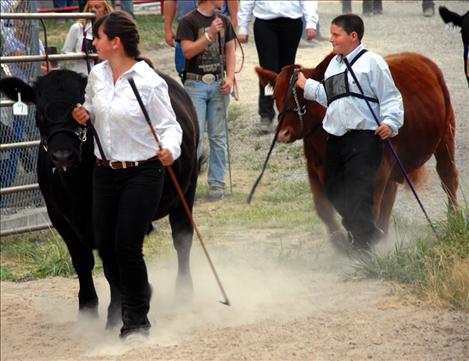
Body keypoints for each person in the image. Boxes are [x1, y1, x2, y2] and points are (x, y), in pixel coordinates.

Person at [72, 11, 182, 339]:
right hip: (104, 171)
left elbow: (169, 127)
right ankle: (134, 296)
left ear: (115, 43)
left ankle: (137, 321)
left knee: (126, 245)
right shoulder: (98, 76)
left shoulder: (149, 82)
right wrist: (84, 113)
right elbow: (93, 107)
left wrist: (170, 150)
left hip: (143, 171)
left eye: (99, 38)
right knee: (104, 244)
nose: (94, 42)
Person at [295, 14, 403, 250]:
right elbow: (330, 96)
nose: (331, 40)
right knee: (333, 190)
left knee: (359, 192)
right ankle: (368, 233)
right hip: (336, 138)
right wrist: (307, 86)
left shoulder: (372, 62)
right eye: (331, 34)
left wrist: (390, 123)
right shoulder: (335, 64)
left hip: (364, 137)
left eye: (336, 35)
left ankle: (361, 249)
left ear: (353, 36)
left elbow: (391, 96)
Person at [176, 0, 236, 201]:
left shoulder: (224, 21)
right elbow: (188, 51)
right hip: (195, 84)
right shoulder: (188, 21)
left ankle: (217, 184)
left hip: (219, 83)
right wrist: (209, 34)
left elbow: (230, 50)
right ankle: (189, 182)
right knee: (195, 135)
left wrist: (230, 77)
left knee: (218, 136)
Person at [237, 0, 318, 133]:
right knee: (268, 70)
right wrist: (243, 26)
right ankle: (266, 113)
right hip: (265, 22)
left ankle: (286, 112)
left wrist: (311, 22)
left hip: (292, 22)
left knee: (287, 72)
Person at [164, 0, 238, 81]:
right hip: (187, 30)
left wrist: (230, 32)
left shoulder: (223, 20)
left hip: (217, 25)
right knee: (183, 69)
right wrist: (167, 29)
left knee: (218, 66)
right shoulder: (186, 22)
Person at [62, 0, 113, 75]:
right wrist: (81, 55)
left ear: (106, 9)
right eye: (90, 7)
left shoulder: (113, 28)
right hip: (82, 75)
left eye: (97, 7)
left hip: (108, 74)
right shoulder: (78, 27)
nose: (93, 10)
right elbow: (64, 53)